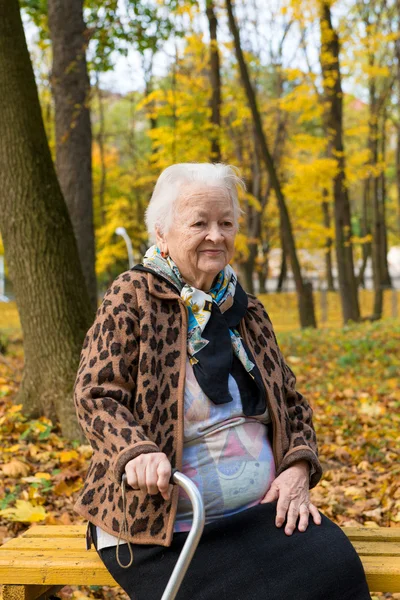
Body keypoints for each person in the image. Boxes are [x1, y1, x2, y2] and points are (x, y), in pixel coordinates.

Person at [73, 163, 370, 599]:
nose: (216, 234)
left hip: (261, 515)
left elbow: (291, 403)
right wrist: (134, 450)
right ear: (162, 232)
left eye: (226, 222)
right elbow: (96, 394)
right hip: (160, 529)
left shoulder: (244, 309)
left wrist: (297, 468)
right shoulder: (132, 296)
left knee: (336, 568)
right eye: (200, 222)